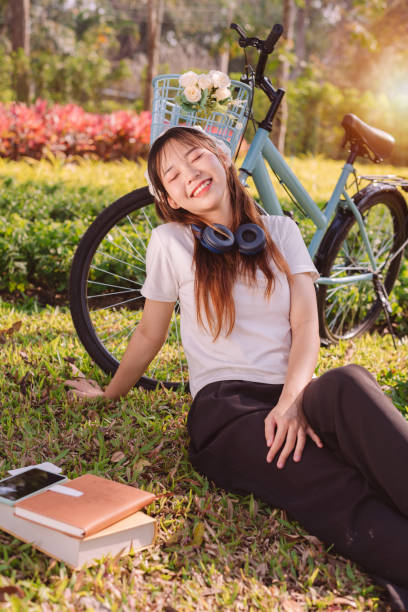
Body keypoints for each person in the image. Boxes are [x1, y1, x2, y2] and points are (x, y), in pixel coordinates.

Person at [67, 126, 408, 610]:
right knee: (333, 485)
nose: (190, 175)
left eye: (196, 158)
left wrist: (293, 400)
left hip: (292, 392)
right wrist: (109, 393)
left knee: (350, 382)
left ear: (222, 157)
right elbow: (149, 334)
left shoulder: (282, 231)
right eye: (173, 174)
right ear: (167, 197)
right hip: (228, 411)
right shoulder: (170, 242)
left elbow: (306, 323)